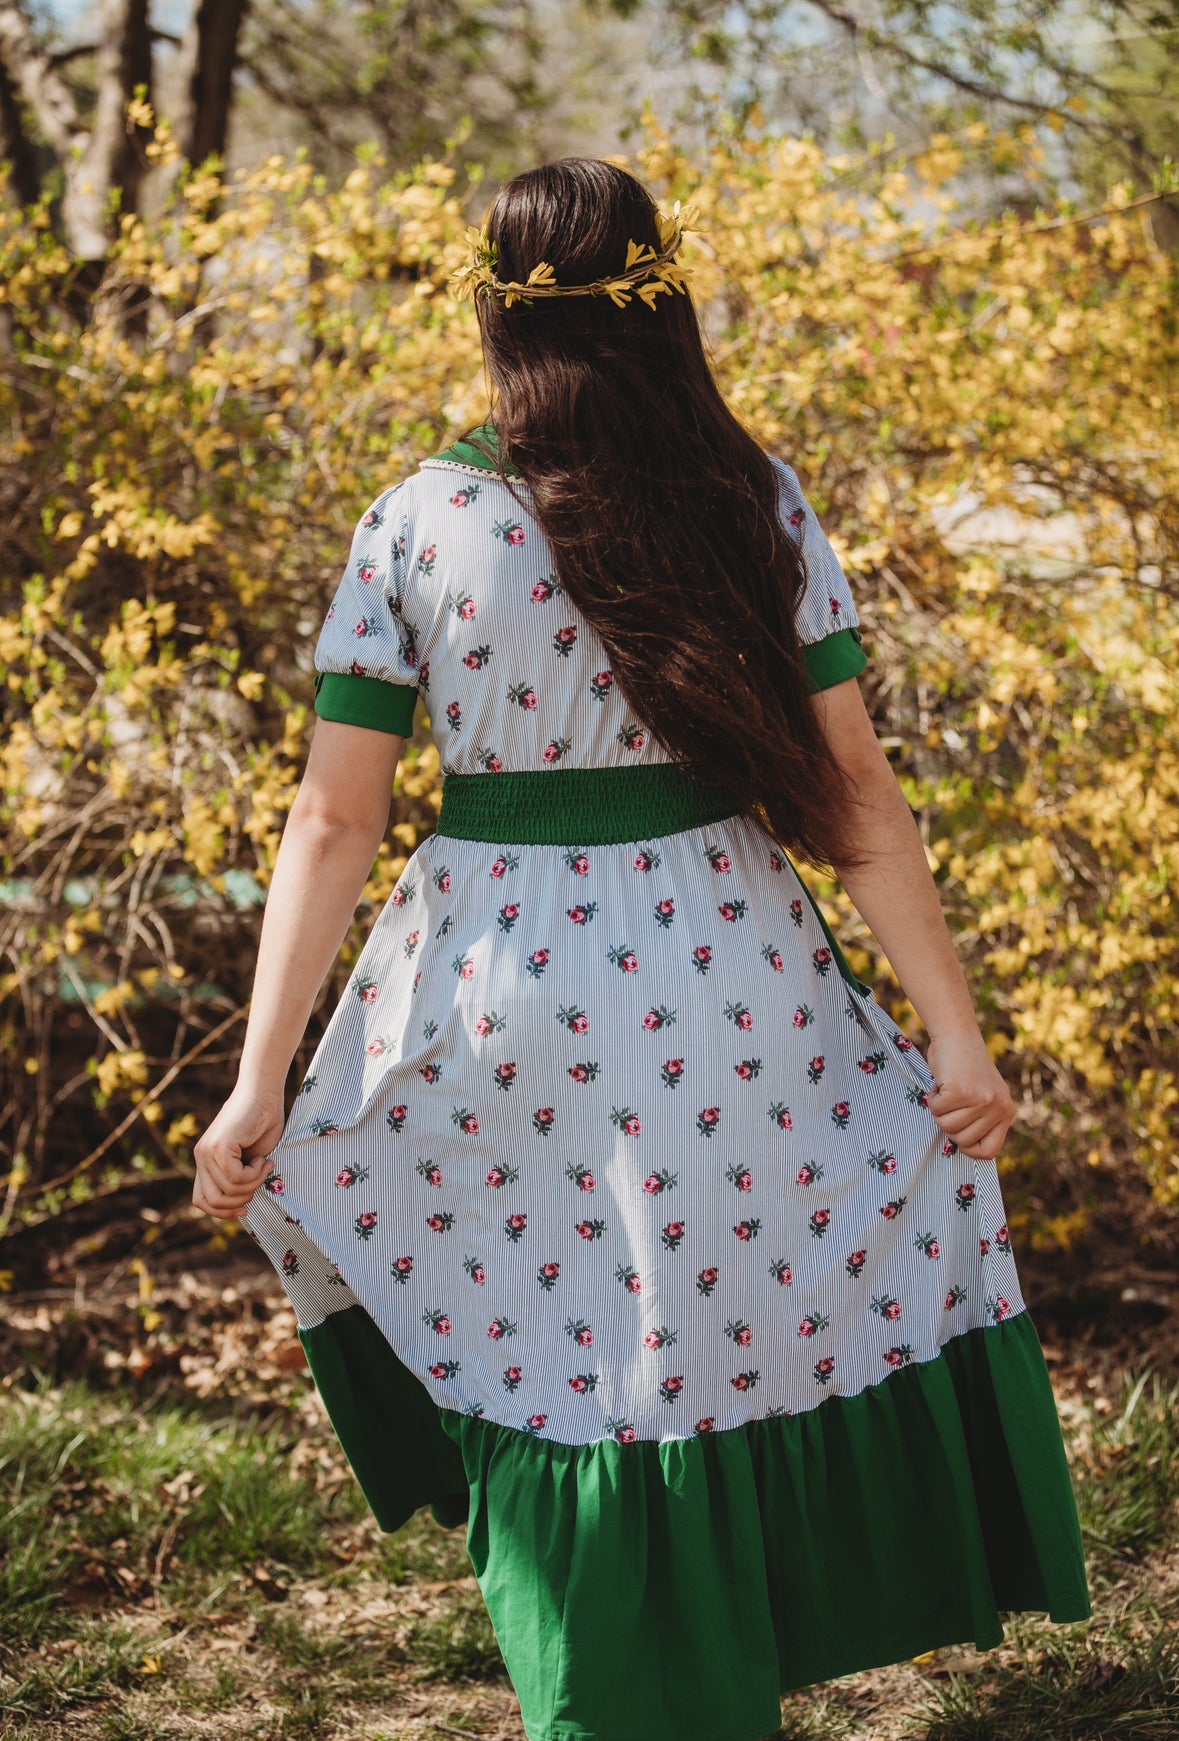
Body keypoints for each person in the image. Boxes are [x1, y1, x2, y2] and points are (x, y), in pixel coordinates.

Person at [194, 157, 1090, 1741]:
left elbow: (334, 823)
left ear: (493, 311)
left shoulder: (419, 520)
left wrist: (259, 1075)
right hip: (727, 974)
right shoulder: (755, 495)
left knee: (563, 1352)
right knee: (698, 1337)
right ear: (668, 302)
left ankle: (608, 1697)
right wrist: (952, 1033)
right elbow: (857, 794)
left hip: (493, 986)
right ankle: (702, 1674)